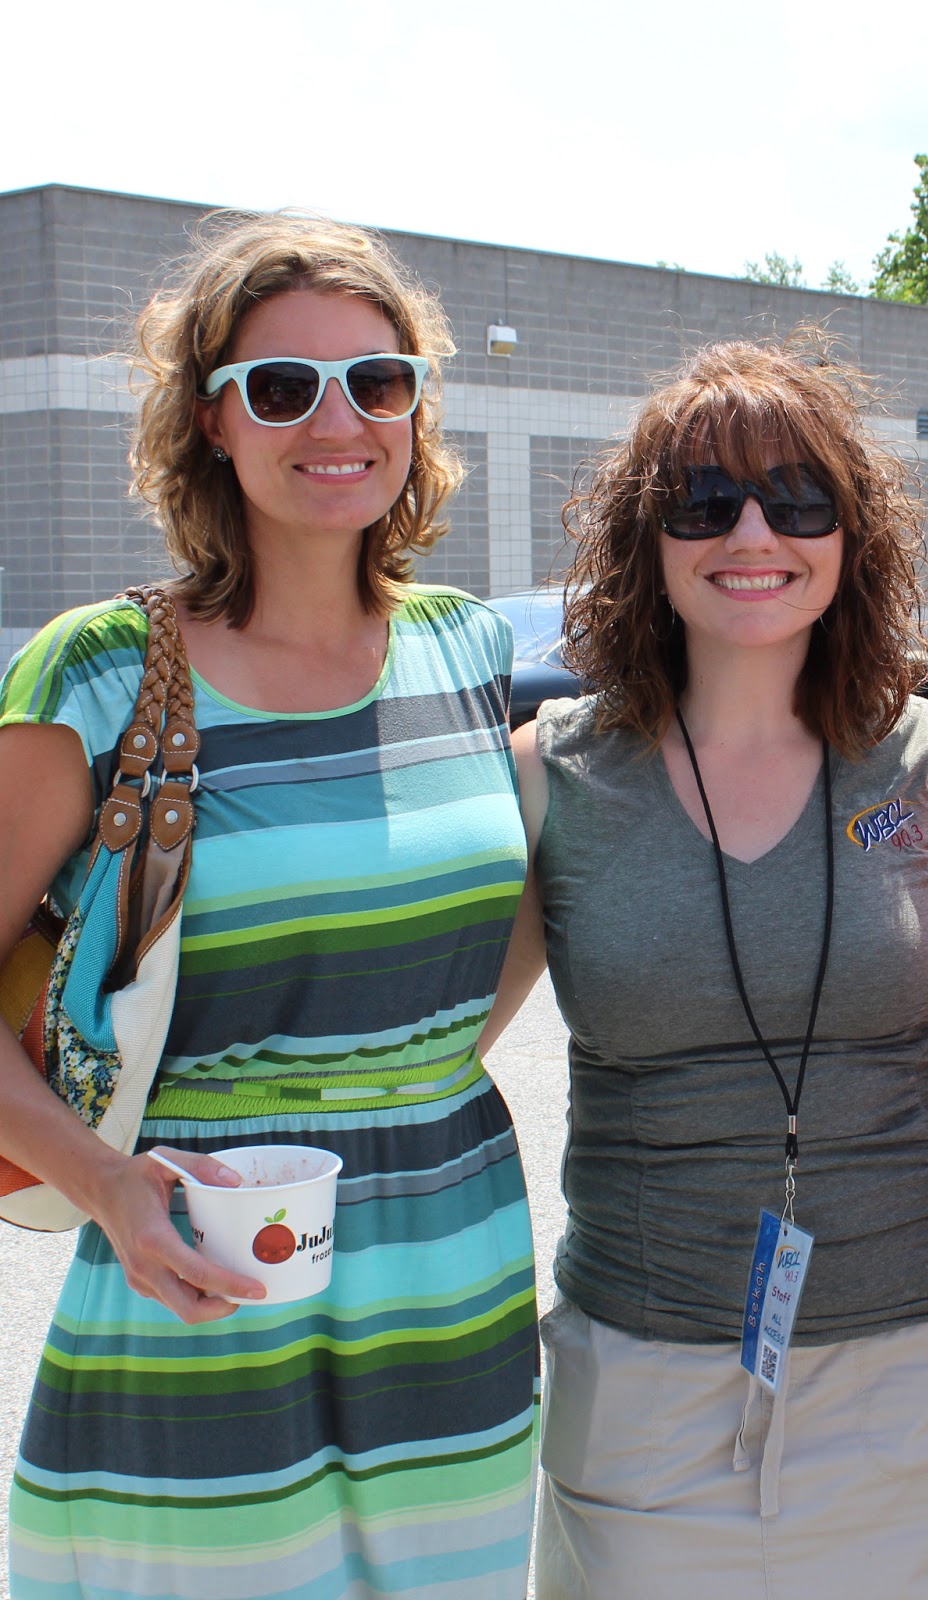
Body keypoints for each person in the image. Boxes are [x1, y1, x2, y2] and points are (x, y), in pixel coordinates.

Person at [1, 212, 538, 1598]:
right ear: (211, 420)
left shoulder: (469, 648)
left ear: (415, 409)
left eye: (377, 381)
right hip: (200, 1271)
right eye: (283, 386)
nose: (337, 420)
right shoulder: (101, 673)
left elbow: (510, 919)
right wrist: (106, 1185)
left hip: (451, 1277)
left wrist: (400, 1079)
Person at [486, 334, 928, 1598]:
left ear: (852, 535)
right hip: (646, 1380)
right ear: (645, 536)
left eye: (797, 497)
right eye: (704, 499)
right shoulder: (550, 774)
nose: (752, 532)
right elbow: (428, 1055)